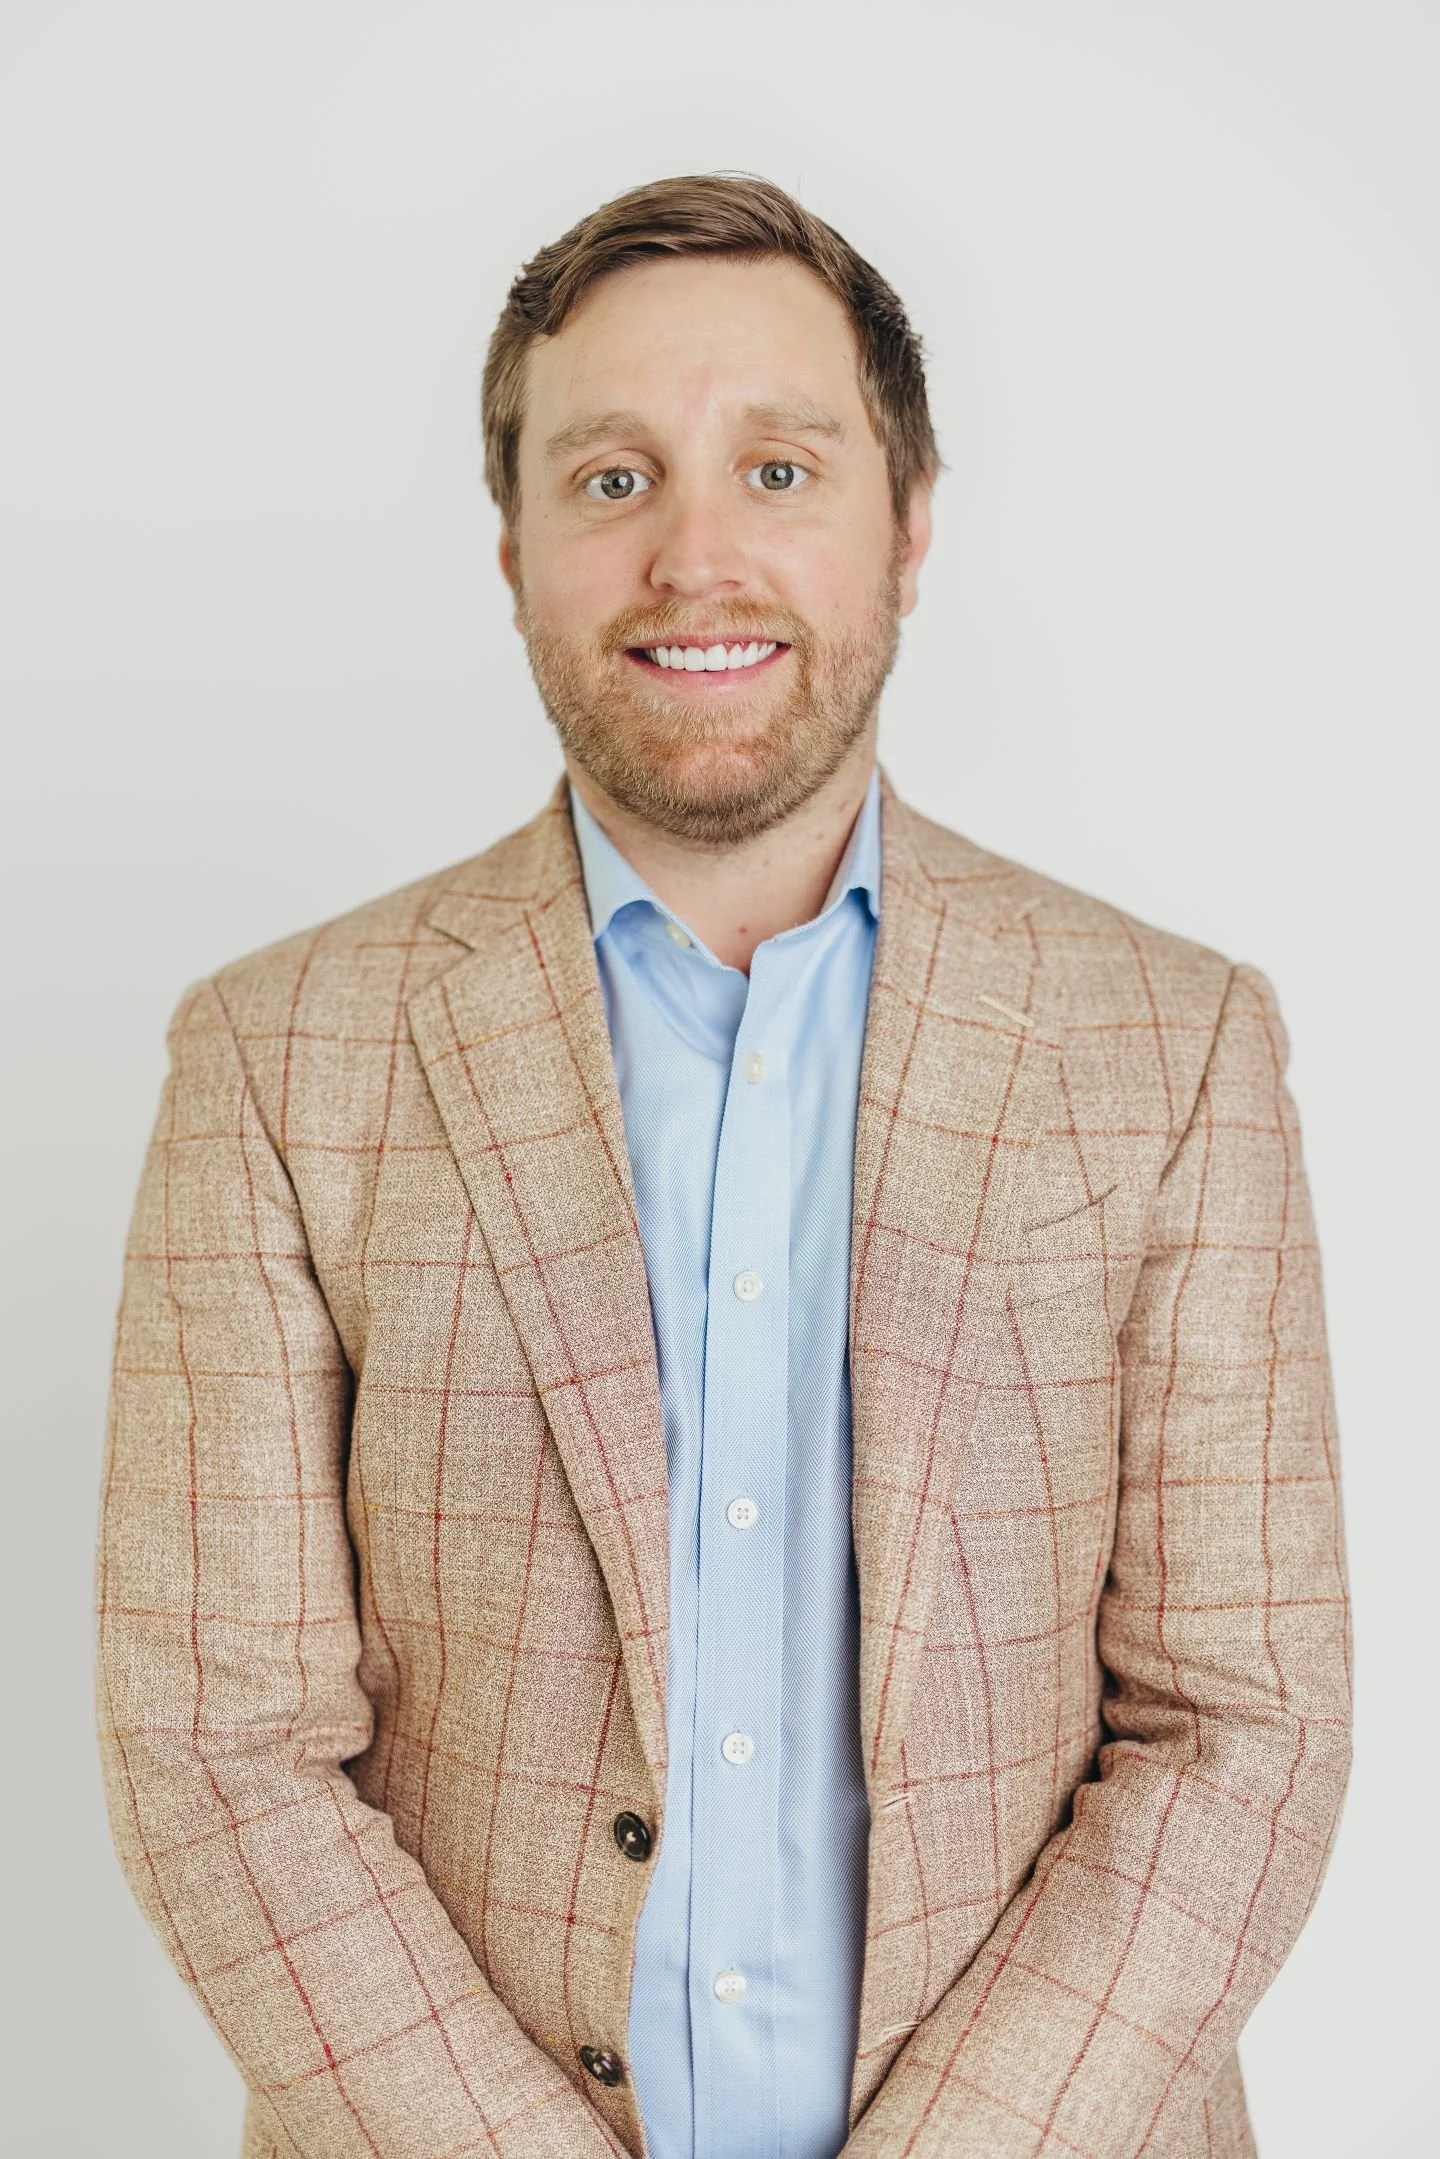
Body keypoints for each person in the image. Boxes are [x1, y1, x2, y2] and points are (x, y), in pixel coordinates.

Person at [95, 174, 1352, 2159]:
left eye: (779, 465)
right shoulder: (275, 1060)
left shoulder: (1174, 1047)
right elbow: (217, 1751)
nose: (698, 554)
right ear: (512, 546)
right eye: (612, 479)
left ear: (909, 523)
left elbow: (1243, 1731)